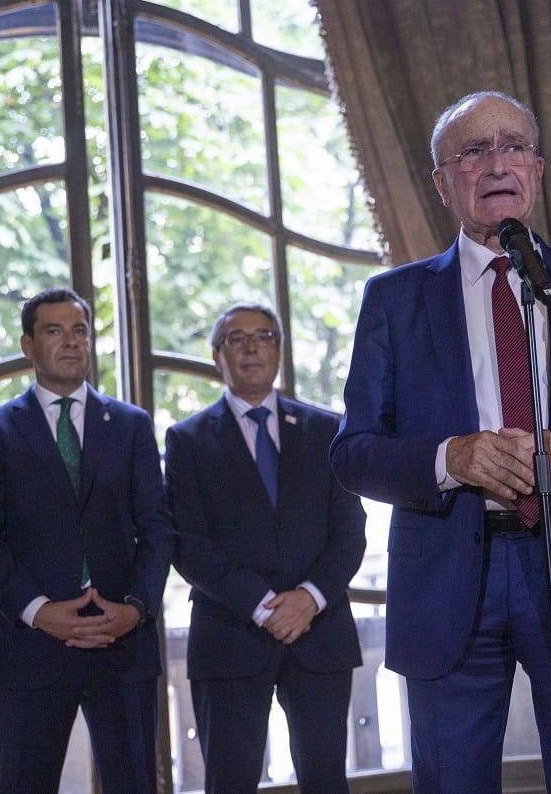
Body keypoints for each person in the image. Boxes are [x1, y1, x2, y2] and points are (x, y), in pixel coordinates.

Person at [330, 92, 551, 793]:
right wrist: (448, 459)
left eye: (514, 146)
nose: (498, 163)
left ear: (539, 170)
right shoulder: (394, 300)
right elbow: (353, 450)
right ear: (441, 181)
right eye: (474, 151)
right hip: (451, 577)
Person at [0, 287, 172, 793]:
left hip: (122, 645)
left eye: (80, 330)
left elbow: (158, 530)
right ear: (27, 345)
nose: (71, 342)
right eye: (54, 331)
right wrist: (37, 610)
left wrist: (135, 609)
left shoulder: (130, 425)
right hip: (29, 648)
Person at [165, 303, 366, 793]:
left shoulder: (325, 430)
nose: (252, 346)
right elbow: (187, 543)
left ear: (279, 349)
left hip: (320, 634)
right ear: (218, 356)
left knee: (326, 781)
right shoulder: (186, 440)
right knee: (230, 782)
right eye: (237, 339)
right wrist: (263, 606)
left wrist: (309, 598)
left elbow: (350, 530)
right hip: (231, 635)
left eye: (264, 336)